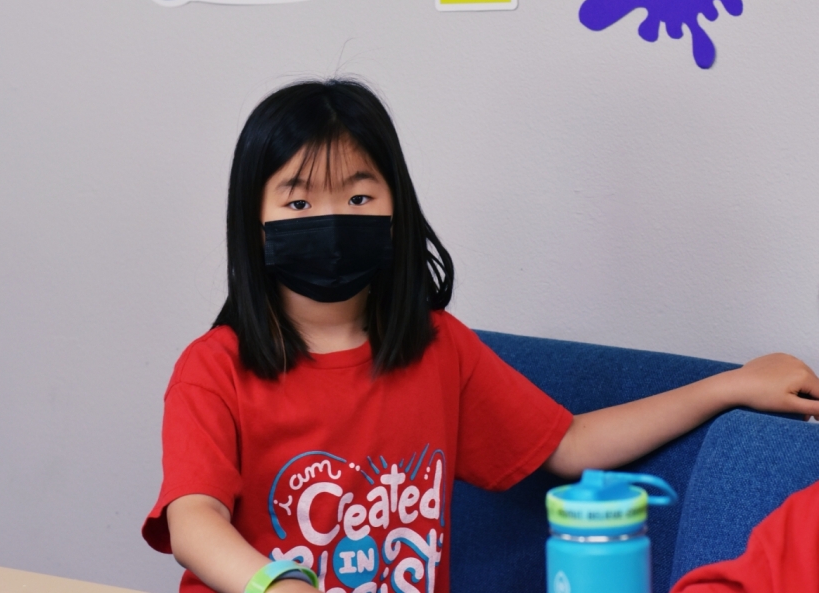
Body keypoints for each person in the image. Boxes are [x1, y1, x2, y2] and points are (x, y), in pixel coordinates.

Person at [142, 79, 819, 593]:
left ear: (397, 209)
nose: (334, 218)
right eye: (298, 201)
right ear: (254, 224)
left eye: (359, 196)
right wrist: (278, 585)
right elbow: (193, 518)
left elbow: (570, 443)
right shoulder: (214, 366)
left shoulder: (439, 347)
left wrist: (729, 386)